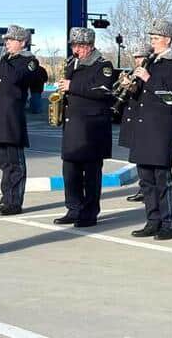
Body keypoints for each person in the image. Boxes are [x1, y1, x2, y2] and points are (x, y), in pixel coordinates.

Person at [128, 19, 172, 240]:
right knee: (146, 179)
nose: (151, 43)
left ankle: (169, 223)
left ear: (167, 40)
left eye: (155, 39)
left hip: (160, 128)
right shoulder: (151, 61)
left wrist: (148, 79)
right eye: (151, 38)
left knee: (162, 178)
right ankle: (152, 220)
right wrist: (132, 86)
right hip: (143, 126)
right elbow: (143, 94)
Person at [52, 27, 114, 227]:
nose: (75, 50)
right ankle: (73, 208)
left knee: (91, 174)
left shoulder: (103, 66)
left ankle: (89, 213)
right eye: (73, 46)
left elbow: (103, 92)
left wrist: (72, 86)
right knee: (70, 172)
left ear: (90, 46)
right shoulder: (71, 63)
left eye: (79, 46)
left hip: (92, 129)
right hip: (72, 127)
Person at [0, 25, 39, 216]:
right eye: (6, 40)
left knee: (15, 164)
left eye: (10, 40)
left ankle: (15, 202)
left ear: (22, 42)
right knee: (4, 164)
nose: (6, 43)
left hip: (12, 117)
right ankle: (6, 199)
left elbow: (14, 77)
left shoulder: (29, 61)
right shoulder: (4, 60)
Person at [119, 43, 153, 203]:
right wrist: (124, 84)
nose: (137, 60)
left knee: (146, 160)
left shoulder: (148, 73)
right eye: (136, 57)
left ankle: (147, 190)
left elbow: (144, 93)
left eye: (140, 57)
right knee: (138, 158)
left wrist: (132, 87)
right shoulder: (135, 72)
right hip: (132, 118)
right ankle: (143, 188)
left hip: (143, 119)